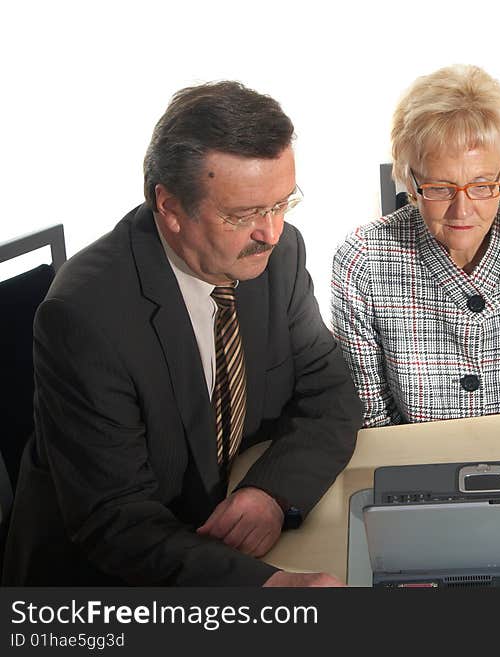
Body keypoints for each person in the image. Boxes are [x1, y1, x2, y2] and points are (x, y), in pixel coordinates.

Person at [2, 81, 363, 586]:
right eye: (243, 214)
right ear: (170, 207)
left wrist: (272, 494)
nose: (272, 232)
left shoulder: (279, 256)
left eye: (283, 204)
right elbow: (115, 519)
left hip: (229, 524)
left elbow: (331, 395)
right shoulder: (84, 316)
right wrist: (265, 587)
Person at [331, 64, 500, 427]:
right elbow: (371, 419)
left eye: (482, 185)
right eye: (440, 188)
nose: (462, 209)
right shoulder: (362, 260)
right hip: (412, 468)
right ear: (411, 181)